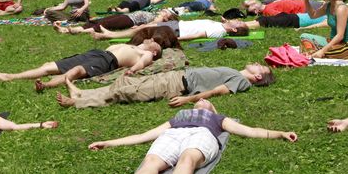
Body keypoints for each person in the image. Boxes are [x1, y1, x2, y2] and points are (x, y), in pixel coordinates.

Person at [89, 100, 297, 174]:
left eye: (206, 102)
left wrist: (280, 133)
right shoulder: (178, 117)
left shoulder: (217, 119)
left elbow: (250, 131)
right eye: (199, 102)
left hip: (202, 135)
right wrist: (108, 143)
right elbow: (146, 134)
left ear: (212, 109)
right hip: (174, 134)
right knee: (152, 160)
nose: (201, 102)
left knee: (187, 158)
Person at [56, 63, 274, 109]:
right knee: (127, 81)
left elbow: (218, 91)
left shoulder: (242, 82)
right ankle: (83, 92)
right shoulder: (238, 73)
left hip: (179, 85)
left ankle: (78, 102)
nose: (257, 64)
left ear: (257, 78)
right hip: (177, 75)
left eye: (260, 68)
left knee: (126, 91)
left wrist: (188, 99)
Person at [0, 40, 162, 92]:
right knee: (48, 65)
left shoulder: (146, 54)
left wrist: (132, 70)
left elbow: (141, 63)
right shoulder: (136, 45)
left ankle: (45, 85)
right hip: (97, 53)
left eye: (154, 42)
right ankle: (8, 76)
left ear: (154, 51)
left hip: (107, 61)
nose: (151, 39)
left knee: (75, 72)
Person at [95, 13, 252, 42]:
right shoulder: (221, 24)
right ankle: (110, 34)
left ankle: (109, 36)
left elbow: (198, 35)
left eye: (239, 23)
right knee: (143, 27)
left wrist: (177, 39)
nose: (237, 20)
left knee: (143, 29)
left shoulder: (219, 31)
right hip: (177, 25)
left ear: (235, 30)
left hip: (176, 30)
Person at [54, 8, 169, 35]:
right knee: (98, 21)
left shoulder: (158, 20)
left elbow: (148, 25)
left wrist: (139, 26)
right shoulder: (155, 14)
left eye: (165, 12)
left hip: (129, 20)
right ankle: (68, 29)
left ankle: (73, 31)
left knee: (104, 24)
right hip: (126, 16)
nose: (164, 11)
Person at [243, 0, 348, 15]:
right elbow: (282, 17)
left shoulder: (267, 4)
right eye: (252, 3)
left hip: (304, 3)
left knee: (330, 5)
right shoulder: (268, 11)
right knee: (331, 7)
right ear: (255, 10)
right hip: (305, 8)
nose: (254, 1)